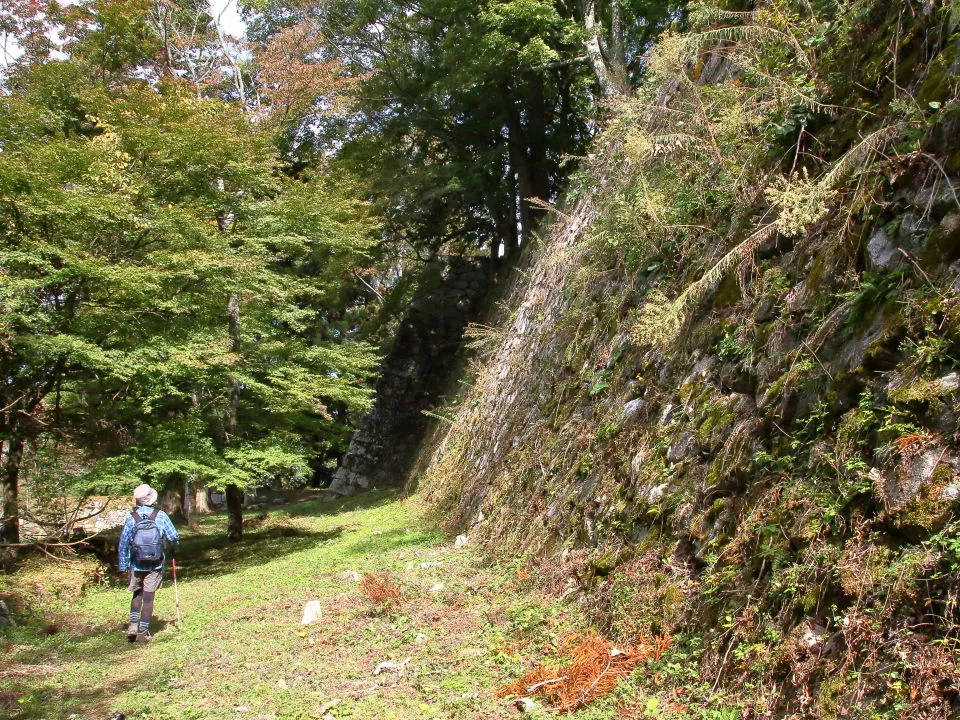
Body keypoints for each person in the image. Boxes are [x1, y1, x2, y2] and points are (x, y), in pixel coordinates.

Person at [117, 483, 179, 643]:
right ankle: (143, 632)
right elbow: (174, 537)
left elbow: (123, 542)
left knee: (137, 593)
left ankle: (132, 626)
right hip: (155, 563)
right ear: (152, 498)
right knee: (149, 598)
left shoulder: (132, 517)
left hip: (136, 563)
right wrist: (172, 549)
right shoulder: (161, 515)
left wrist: (123, 565)